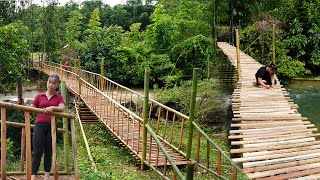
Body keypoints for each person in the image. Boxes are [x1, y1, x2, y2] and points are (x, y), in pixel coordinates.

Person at [30, 74, 65, 180]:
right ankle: (33, 177)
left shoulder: (59, 97)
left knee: (48, 152)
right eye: (49, 82)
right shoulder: (39, 96)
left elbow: (62, 108)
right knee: (37, 151)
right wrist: (23, 104)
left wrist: (52, 108)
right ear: (47, 83)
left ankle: (46, 177)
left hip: (52, 126)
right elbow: (32, 107)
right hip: (39, 125)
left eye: (54, 83)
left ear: (57, 85)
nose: (51, 85)